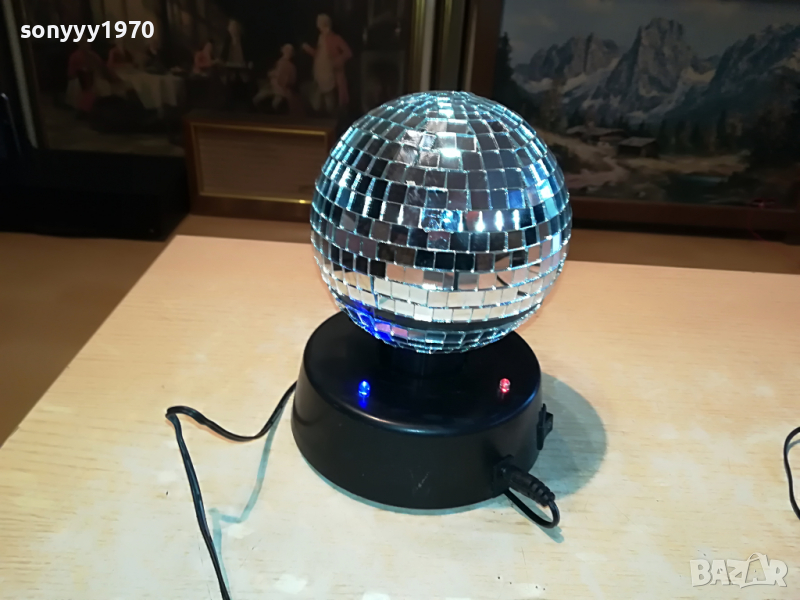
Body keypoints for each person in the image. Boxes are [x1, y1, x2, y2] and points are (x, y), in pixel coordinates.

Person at [302, 13, 352, 115]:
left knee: (329, 98)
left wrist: (337, 60)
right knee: (318, 99)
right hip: (320, 73)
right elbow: (319, 55)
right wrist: (309, 49)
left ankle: (331, 115)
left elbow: (348, 53)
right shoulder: (321, 37)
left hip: (329, 73)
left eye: (319, 23)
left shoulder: (335, 38)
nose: (318, 26)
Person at [253, 43, 297, 111]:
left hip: (282, 90)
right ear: (282, 50)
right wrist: (272, 74)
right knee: (257, 98)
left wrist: (284, 81)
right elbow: (270, 73)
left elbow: (292, 80)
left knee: (276, 103)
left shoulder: (292, 67)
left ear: (292, 53)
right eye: (286, 49)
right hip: (272, 87)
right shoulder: (278, 62)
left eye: (289, 50)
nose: (287, 52)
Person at [67, 41, 104, 115]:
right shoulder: (75, 55)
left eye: (87, 43)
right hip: (80, 79)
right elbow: (71, 72)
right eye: (84, 43)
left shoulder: (93, 55)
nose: (87, 45)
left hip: (93, 78)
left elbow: (100, 66)